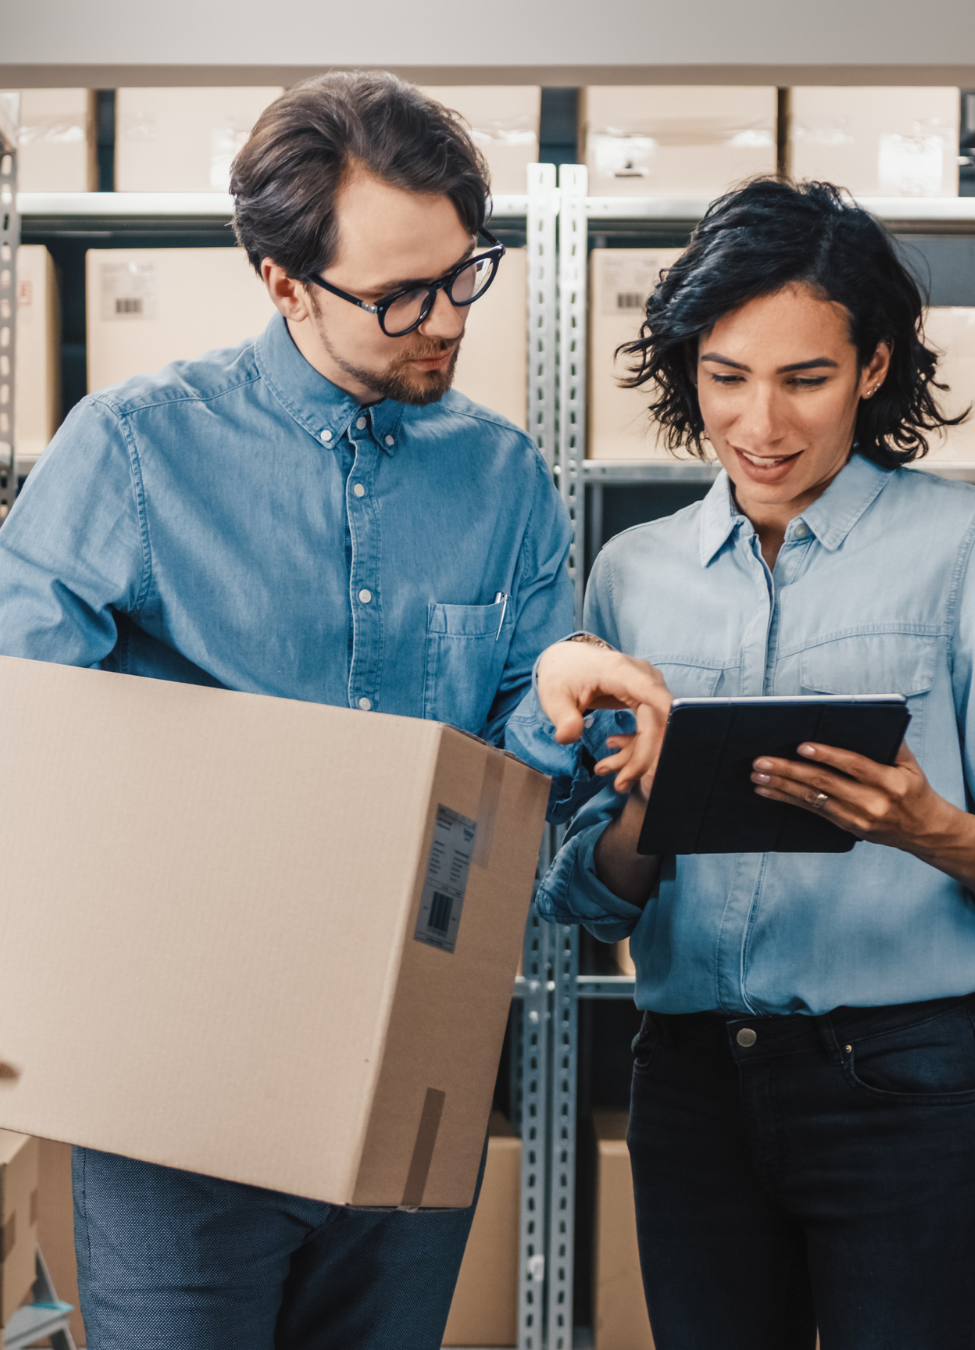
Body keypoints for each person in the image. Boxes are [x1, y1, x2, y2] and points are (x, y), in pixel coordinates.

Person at [0, 70, 596, 1350]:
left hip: (409, 1089)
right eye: (396, 296)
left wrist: (557, 716)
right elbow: (18, 743)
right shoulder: (134, 454)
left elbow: (514, 792)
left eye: (462, 274)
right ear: (281, 282)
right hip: (177, 1104)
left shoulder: (505, 482)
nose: (445, 321)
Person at [505, 178, 975, 1350]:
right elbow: (578, 890)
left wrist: (930, 827)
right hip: (691, 1084)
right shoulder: (632, 572)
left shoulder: (970, 547)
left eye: (804, 379)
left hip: (905, 1082)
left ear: (872, 369)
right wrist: (641, 816)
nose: (760, 424)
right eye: (726, 378)